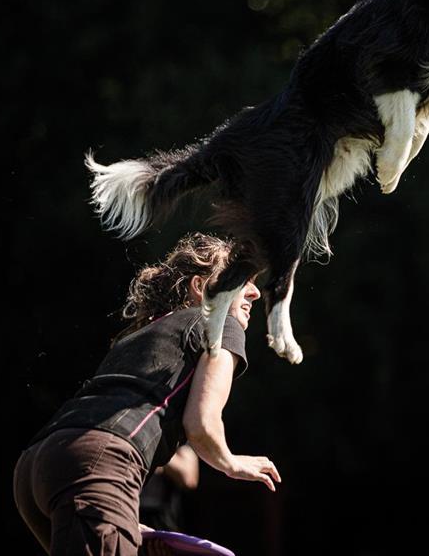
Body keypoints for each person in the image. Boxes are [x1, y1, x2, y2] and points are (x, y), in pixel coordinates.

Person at [14, 232, 281, 555]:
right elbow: (201, 424)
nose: (254, 292)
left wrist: (124, 517)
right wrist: (230, 462)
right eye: (241, 280)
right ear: (201, 287)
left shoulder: (139, 335)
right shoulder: (219, 321)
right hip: (99, 463)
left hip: (36, 465)